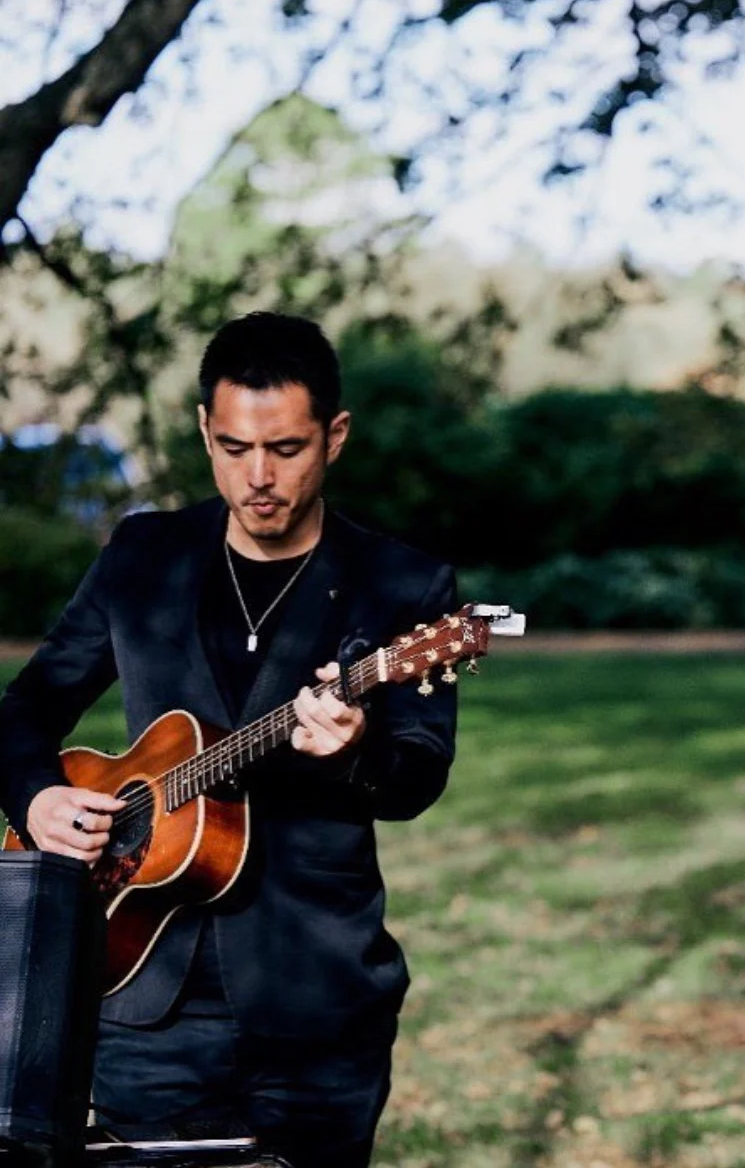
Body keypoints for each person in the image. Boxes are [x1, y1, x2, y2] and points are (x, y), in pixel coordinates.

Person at [0, 312, 457, 1168]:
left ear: (335, 436)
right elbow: (23, 708)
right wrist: (37, 795)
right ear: (205, 432)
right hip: (140, 987)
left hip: (317, 1000)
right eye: (235, 446)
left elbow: (418, 776)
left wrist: (355, 748)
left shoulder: (400, 583)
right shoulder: (143, 555)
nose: (259, 477)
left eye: (286, 449)